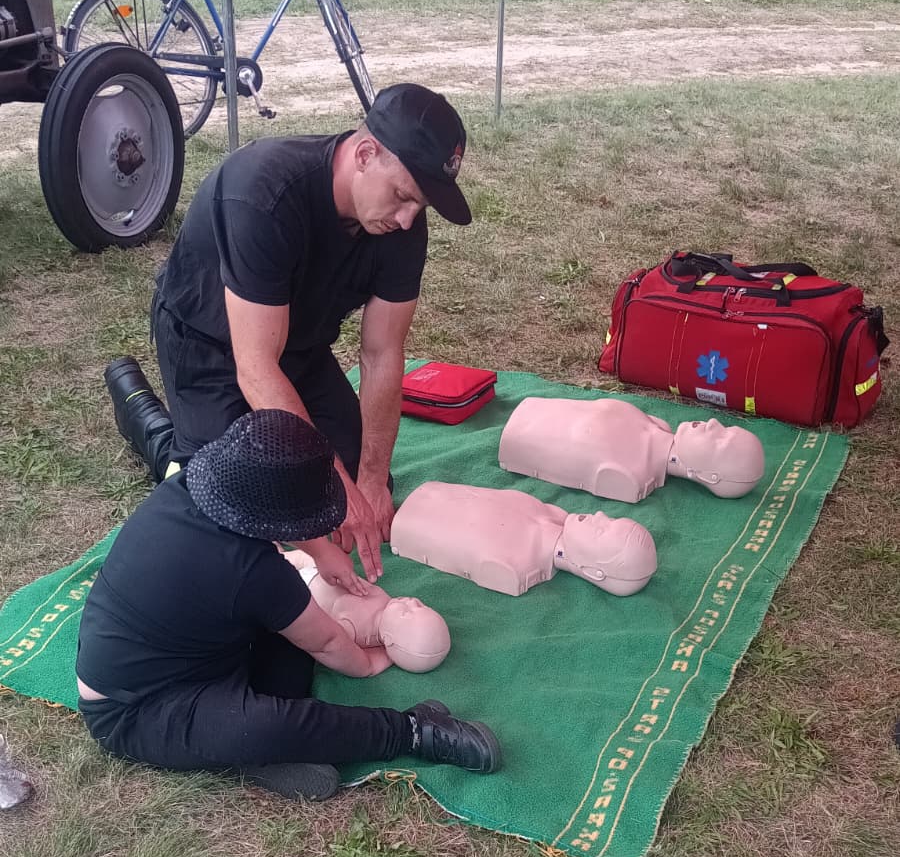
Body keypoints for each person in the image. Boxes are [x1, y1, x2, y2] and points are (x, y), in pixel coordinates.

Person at [104, 83, 472, 585]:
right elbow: (255, 366)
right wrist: (332, 485)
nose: (408, 219)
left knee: (352, 485)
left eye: (421, 205)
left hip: (300, 348)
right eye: (403, 197)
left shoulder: (403, 224)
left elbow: (384, 352)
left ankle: (203, 443)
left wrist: (367, 481)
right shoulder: (265, 191)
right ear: (365, 155)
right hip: (207, 345)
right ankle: (157, 431)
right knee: (234, 503)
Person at [75, 410, 501, 801]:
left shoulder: (190, 489)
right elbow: (327, 643)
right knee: (264, 723)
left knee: (289, 644)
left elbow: (261, 516)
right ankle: (411, 731)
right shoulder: (250, 569)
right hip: (137, 709)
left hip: (206, 653)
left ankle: (263, 753)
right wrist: (369, 663)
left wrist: (320, 551)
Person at [391, 483, 657, 597]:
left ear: (593, 572)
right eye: (610, 520)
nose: (599, 515)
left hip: (411, 522)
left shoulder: (515, 566)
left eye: (602, 531)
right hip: (432, 498)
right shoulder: (552, 516)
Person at [498, 399, 766, 503]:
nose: (714, 423)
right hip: (532, 415)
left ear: (709, 476)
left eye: (720, 441)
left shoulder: (629, 475)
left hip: (519, 438)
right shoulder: (655, 426)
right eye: (725, 427)